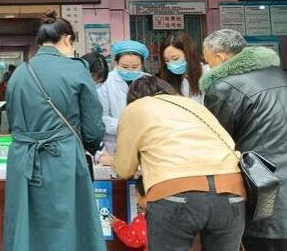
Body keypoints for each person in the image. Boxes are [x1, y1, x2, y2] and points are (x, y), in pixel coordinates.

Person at [3, 10, 106, 251]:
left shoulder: (19, 72)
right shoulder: (76, 70)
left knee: (25, 225)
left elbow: (13, 119)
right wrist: (90, 148)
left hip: (22, 159)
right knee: (66, 229)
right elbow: (93, 129)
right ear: (68, 40)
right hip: (63, 158)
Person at [113, 75, 246, 251]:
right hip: (231, 191)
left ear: (133, 98)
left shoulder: (136, 108)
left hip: (175, 192)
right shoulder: (193, 106)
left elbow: (124, 169)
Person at [200, 29, 287, 251]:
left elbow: (217, 143)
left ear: (220, 58)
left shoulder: (224, 87)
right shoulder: (278, 74)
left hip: (265, 190)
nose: (208, 67)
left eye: (208, 62)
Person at [97, 40, 149, 154]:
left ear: (142, 64)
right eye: (125, 67)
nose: (130, 70)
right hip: (114, 142)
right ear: (116, 63)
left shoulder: (149, 80)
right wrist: (129, 125)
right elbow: (101, 118)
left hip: (144, 141)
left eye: (135, 67)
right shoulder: (105, 82)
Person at [158, 31, 207, 103]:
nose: (171, 64)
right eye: (167, 60)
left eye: (175, 59)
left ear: (188, 54)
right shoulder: (169, 78)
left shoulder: (207, 74)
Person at [110, 177, 147, 251]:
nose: (137, 200)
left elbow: (131, 238)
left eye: (137, 195)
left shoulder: (144, 218)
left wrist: (118, 225)